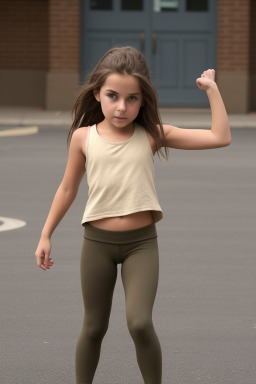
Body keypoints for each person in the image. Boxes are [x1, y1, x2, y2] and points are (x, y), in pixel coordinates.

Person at [35, 46, 231, 384]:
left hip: (141, 244)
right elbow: (67, 189)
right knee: (94, 326)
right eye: (112, 96)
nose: (122, 107)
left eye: (132, 98)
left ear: (143, 101)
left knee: (140, 322)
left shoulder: (152, 133)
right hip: (97, 243)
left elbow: (220, 136)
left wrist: (212, 89)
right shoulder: (83, 137)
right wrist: (45, 234)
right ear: (97, 93)